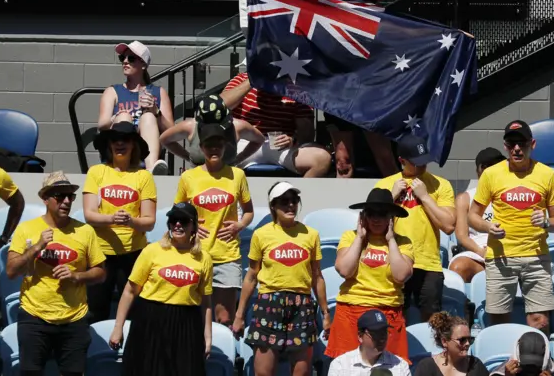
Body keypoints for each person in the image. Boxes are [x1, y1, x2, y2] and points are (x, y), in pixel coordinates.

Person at [6, 172, 106, 376]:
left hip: (74, 319)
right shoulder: (27, 229)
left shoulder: (85, 231)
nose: (66, 201)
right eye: (60, 196)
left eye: (70, 196)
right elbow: (11, 271)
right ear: (45, 199)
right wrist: (36, 248)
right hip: (35, 317)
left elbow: (101, 273)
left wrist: (77, 275)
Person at [469, 120, 554, 334]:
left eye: (522, 143)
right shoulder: (491, 174)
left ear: (533, 144)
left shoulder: (547, 175)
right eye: (511, 144)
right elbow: (472, 216)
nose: (517, 148)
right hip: (500, 257)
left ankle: (539, 365)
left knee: (540, 322)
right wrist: (487, 226)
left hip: (536, 257)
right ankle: (504, 366)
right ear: (505, 146)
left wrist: (547, 221)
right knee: (500, 324)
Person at [232, 182, 330, 376]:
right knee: (263, 373)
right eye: (284, 201)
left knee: (301, 373)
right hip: (269, 303)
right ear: (273, 206)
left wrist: (326, 314)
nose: (291, 205)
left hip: (301, 304)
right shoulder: (261, 235)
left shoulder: (311, 235)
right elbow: (251, 276)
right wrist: (240, 315)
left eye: (294, 201)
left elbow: (317, 276)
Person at [109, 202, 212, 376]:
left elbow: (206, 301)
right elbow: (130, 291)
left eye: (184, 220)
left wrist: (207, 337)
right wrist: (118, 327)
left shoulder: (204, 258)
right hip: (150, 320)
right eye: (173, 220)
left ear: (194, 225)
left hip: (186, 323)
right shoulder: (152, 250)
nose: (178, 224)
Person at [174, 122, 254, 326]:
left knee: (224, 318)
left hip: (227, 255)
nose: (214, 148)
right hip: (196, 254)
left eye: (218, 143)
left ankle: (221, 356)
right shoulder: (188, 177)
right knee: (197, 317)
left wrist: (239, 226)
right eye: (209, 144)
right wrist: (191, 224)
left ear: (225, 145)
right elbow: (178, 213)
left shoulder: (237, 175)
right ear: (201, 148)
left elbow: (249, 211)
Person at [326, 188, 413, 362]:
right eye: (371, 213)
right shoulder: (350, 237)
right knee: (347, 368)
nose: (376, 218)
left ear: (391, 217)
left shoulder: (403, 242)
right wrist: (360, 238)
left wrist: (391, 240)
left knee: (389, 369)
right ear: (363, 216)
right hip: (351, 311)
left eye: (382, 214)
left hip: (388, 312)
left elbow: (401, 275)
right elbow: (344, 270)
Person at [375, 134, 456, 322]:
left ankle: (432, 352)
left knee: (433, 320)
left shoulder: (440, 185)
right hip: (394, 260)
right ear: (401, 161)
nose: (422, 166)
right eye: (416, 163)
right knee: (393, 317)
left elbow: (449, 226)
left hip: (428, 262)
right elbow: (371, 222)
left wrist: (425, 197)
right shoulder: (385, 185)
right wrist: (391, 197)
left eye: (424, 162)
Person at [83, 122, 157, 323]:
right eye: (115, 140)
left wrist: (131, 221)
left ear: (134, 145)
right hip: (100, 254)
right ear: (108, 145)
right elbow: (89, 214)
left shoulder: (143, 177)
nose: (120, 144)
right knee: (96, 311)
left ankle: (131, 353)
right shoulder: (96, 172)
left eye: (125, 140)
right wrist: (112, 219)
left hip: (133, 255)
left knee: (133, 312)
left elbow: (149, 222)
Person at [326, 0, 398, 179]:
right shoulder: (333, 23)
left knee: (384, 157)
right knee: (342, 161)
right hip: (339, 99)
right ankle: (340, 209)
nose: (363, 0)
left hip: (372, 99)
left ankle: (398, 206)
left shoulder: (386, 26)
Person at [221, 72, 332, 177]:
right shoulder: (242, 79)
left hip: (279, 145)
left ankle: (295, 196)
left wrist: (292, 140)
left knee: (322, 159)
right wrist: (252, 80)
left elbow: (307, 135)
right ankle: (222, 189)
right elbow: (220, 106)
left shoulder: (296, 88)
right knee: (235, 126)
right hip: (245, 142)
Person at [97, 40, 174, 175]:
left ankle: (150, 171)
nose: (125, 61)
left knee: (149, 117)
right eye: (123, 58)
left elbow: (172, 131)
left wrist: (156, 111)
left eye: (131, 58)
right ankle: (122, 167)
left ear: (143, 64)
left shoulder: (158, 92)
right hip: (119, 149)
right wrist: (116, 117)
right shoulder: (113, 91)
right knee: (124, 116)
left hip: (143, 150)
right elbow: (102, 124)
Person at [450, 148, 507, 282]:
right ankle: (465, 302)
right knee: (458, 267)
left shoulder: (510, 194)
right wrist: (481, 251)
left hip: (506, 252)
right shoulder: (465, 198)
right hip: (478, 255)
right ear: (481, 169)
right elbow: (462, 235)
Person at [160, 94, 265, 167]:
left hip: (228, 178)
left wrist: (239, 159)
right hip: (199, 178)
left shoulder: (238, 126)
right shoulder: (189, 126)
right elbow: (165, 139)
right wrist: (187, 157)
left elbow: (259, 140)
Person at [327, 310, 411, 376]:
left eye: (384, 332)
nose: (382, 338)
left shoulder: (400, 365)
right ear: (360, 336)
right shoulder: (340, 365)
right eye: (376, 333)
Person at [413, 312, 489, 376]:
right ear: (444, 341)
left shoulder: (475, 365)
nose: (467, 343)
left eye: (470, 339)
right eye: (462, 340)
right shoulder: (427, 367)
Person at [490, 332, 554, 376]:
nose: (530, 370)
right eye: (526, 364)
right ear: (517, 356)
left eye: (536, 365)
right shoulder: (502, 373)